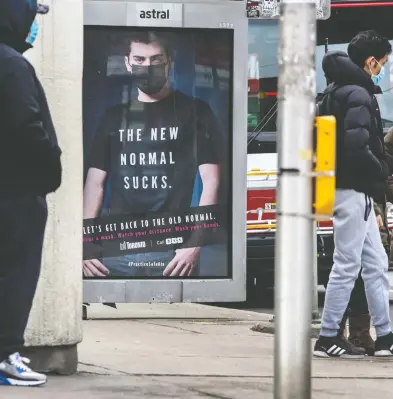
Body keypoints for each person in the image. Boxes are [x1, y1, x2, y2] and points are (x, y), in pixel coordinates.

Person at [83, 31, 221, 278]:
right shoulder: (114, 117)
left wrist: (195, 244)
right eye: (139, 60)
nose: (147, 66)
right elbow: (95, 183)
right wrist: (86, 243)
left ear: (169, 61)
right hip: (115, 249)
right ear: (128, 62)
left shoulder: (195, 111)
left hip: (173, 252)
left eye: (156, 59)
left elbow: (211, 180)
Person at [313, 30, 393, 358]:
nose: (383, 70)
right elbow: (358, 146)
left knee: (376, 264)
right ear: (370, 61)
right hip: (353, 189)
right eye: (383, 63)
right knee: (347, 264)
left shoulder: (336, 90)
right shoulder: (358, 93)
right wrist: (380, 175)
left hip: (346, 188)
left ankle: (386, 337)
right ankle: (327, 335)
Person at [0, 0, 62, 386]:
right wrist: (49, 168)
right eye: (32, 16)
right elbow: (28, 126)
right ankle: (6, 354)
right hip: (16, 191)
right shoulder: (11, 65)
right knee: (16, 275)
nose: (34, 26)